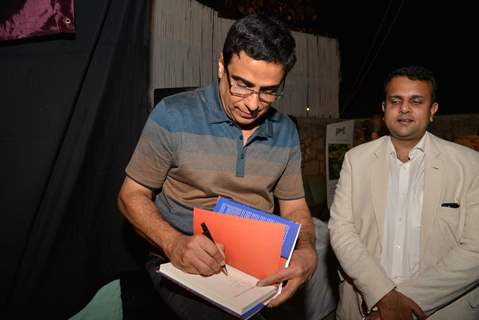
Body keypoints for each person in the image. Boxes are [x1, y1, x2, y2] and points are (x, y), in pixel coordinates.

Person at [118, 14, 317, 320]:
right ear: (222, 66)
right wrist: (174, 244)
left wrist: (307, 250)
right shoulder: (172, 115)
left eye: (268, 90)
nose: (253, 103)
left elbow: (294, 208)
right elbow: (130, 196)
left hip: (254, 264)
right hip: (180, 258)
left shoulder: (286, 130)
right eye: (242, 85)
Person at [328, 65, 479, 320]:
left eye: (416, 101)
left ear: (433, 110)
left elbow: (474, 249)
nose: (405, 109)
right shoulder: (357, 160)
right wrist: (382, 295)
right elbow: (341, 230)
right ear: (385, 108)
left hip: (441, 311)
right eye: (396, 100)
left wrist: (405, 303)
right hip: (365, 308)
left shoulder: (469, 165)